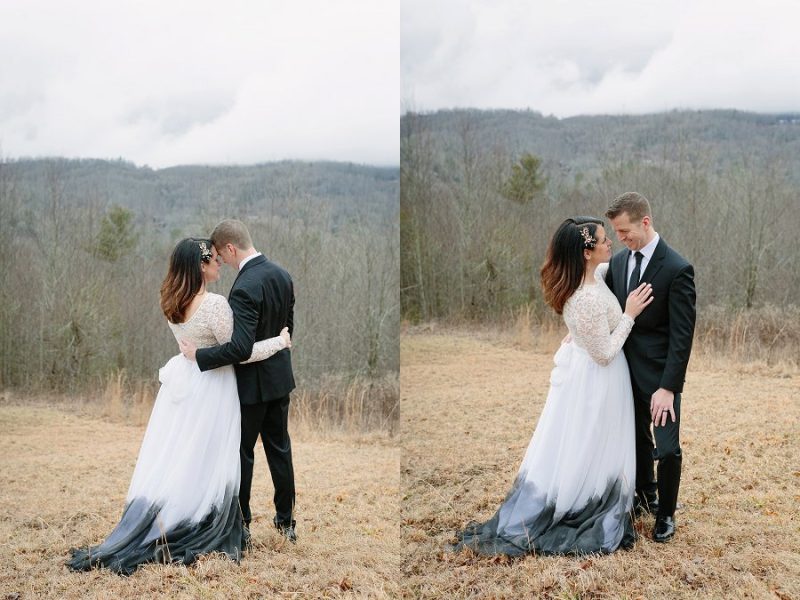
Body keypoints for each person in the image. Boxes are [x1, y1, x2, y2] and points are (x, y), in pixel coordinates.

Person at [68, 238, 291, 575]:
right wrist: (280, 342)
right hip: (213, 385)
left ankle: (184, 511)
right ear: (200, 265)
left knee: (186, 456)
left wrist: (197, 355)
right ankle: (209, 520)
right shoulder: (214, 304)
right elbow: (240, 352)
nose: (219, 263)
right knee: (213, 457)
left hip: (187, 384)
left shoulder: (172, 301)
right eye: (213, 259)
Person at [454, 217, 653, 556]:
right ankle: (585, 500)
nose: (611, 244)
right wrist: (629, 315)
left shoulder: (595, 278)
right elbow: (604, 353)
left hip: (601, 379)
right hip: (599, 381)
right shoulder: (584, 298)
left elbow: (600, 294)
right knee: (590, 442)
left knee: (596, 443)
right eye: (605, 240)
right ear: (587, 252)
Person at [180, 220, 297, 546]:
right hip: (280, 380)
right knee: (280, 450)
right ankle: (286, 523)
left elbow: (241, 348)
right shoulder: (282, 274)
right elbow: (287, 332)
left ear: (231, 248)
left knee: (242, 454)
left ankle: (242, 524)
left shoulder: (245, 286)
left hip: (250, 388)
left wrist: (199, 356)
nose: (222, 263)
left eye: (221, 255)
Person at [604, 192, 696, 543]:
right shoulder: (616, 264)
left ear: (645, 222)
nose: (620, 239)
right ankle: (645, 496)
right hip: (623, 372)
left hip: (660, 379)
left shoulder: (677, 268)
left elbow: (681, 337)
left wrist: (668, 387)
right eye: (616, 233)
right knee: (637, 441)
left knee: (667, 449)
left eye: (625, 231)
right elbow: (607, 311)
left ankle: (666, 514)